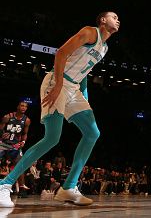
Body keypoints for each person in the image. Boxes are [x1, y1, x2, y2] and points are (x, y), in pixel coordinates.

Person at [0, 12, 120, 208]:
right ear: (102, 20)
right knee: (52, 138)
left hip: (73, 88)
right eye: (113, 16)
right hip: (57, 82)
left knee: (92, 133)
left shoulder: (104, 47)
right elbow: (61, 53)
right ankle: (4, 185)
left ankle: (68, 188)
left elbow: (84, 73)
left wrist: (85, 98)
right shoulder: (90, 32)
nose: (118, 19)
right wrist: (57, 86)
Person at [0, 101, 31, 192]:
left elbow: (25, 133)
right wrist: (2, 134)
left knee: (20, 164)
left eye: (25, 106)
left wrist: (23, 141)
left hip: (15, 145)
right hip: (3, 143)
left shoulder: (27, 120)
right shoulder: (7, 117)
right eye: (22, 105)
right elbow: (0, 129)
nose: (23, 108)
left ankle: (21, 186)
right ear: (18, 107)